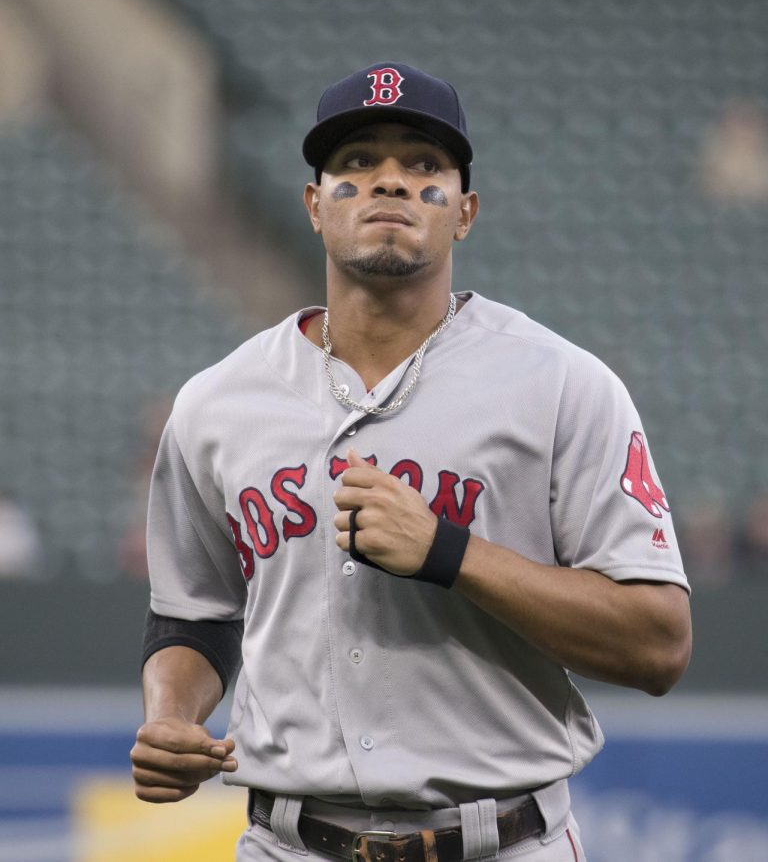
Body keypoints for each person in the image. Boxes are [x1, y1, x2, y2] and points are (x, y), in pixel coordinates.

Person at [131, 62, 692, 861]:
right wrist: (172, 714)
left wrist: (450, 553)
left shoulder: (563, 385)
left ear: (463, 213)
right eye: (356, 164)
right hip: (287, 842)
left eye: (423, 165)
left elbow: (659, 645)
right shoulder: (218, 402)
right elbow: (194, 612)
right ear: (314, 206)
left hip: (503, 839)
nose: (388, 181)